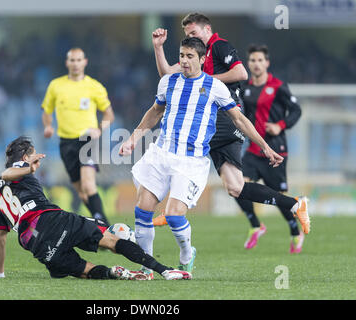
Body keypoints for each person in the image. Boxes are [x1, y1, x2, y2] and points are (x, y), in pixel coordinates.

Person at [119, 37, 284, 280]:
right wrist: (133, 138)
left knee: (175, 215)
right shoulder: (168, 82)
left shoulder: (215, 87)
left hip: (191, 160)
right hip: (161, 154)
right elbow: (154, 112)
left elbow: (239, 120)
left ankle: (187, 255)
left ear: (202, 59)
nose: (184, 61)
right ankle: (146, 267)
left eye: (189, 57)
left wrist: (265, 147)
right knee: (142, 211)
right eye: (182, 55)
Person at [150, 13, 310, 239]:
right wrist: (158, 48)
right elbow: (166, 74)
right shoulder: (194, 56)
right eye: (187, 35)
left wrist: (207, 81)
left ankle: (174, 210)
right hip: (219, 123)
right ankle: (295, 204)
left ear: (207, 30)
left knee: (182, 145)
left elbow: (241, 73)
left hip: (224, 117)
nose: (191, 38)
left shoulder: (219, 46)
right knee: (235, 187)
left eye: (194, 33)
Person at [0, 136, 192, 281]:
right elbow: (7, 174)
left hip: (35, 244)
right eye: (33, 153)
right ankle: (165, 270)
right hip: (51, 220)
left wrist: (0, 274)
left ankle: (113, 273)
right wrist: (29, 168)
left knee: (84, 271)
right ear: (26, 156)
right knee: (112, 239)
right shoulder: (22, 166)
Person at [236, 44, 305, 253]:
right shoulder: (246, 88)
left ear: (267, 63)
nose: (256, 64)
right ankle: (256, 225)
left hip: (276, 149)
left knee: (279, 196)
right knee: (238, 187)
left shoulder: (278, 86)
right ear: (248, 63)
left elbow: (296, 110)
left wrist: (280, 125)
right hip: (253, 150)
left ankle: (295, 230)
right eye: (252, 60)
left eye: (260, 60)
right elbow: (244, 117)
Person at [41, 48, 114, 225]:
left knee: (89, 185)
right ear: (67, 63)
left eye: (78, 60)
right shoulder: (56, 86)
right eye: (72, 60)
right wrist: (48, 126)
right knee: (81, 192)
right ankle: (103, 227)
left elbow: (109, 115)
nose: (75, 64)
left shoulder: (94, 87)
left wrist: (100, 128)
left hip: (86, 139)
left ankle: (104, 228)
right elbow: (46, 110)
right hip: (65, 142)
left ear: (85, 62)